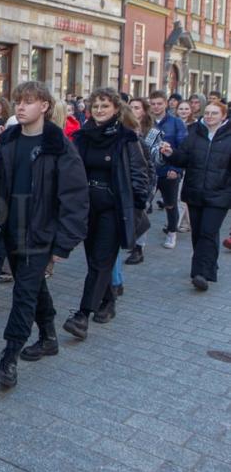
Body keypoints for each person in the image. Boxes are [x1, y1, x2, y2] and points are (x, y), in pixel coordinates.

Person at [0, 81, 89, 388]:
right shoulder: (11, 140)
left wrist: (63, 244)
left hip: (40, 234)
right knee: (31, 287)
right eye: (18, 101)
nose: (20, 106)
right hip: (10, 228)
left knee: (23, 295)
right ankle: (48, 336)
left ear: (44, 106)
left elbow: (75, 198)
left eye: (28, 101)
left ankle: (8, 360)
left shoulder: (60, 146)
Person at [61, 89, 148, 340]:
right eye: (96, 106)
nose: (99, 110)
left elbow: (139, 177)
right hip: (87, 209)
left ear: (116, 110)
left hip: (114, 209)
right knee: (96, 261)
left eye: (105, 106)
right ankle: (108, 301)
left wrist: (136, 208)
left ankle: (82, 316)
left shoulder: (126, 138)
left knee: (100, 261)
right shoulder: (82, 136)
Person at [160, 101, 231, 291]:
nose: (209, 116)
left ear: (223, 116)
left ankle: (201, 273)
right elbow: (183, 158)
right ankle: (209, 264)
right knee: (199, 233)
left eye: (214, 113)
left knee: (208, 231)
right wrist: (171, 153)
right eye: (207, 113)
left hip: (220, 194)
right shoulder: (195, 133)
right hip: (195, 192)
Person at [148, 90, 187, 250]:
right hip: (149, 171)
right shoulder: (146, 121)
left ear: (166, 104)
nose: (156, 107)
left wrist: (176, 169)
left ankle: (172, 232)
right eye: (153, 103)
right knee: (143, 204)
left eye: (159, 103)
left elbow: (182, 148)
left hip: (168, 171)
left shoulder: (176, 123)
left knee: (170, 204)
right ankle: (138, 241)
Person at [124, 97, 161, 265]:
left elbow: (155, 160)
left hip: (146, 178)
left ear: (144, 111)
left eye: (137, 108)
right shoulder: (122, 128)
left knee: (141, 212)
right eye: (131, 107)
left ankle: (139, 248)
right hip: (128, 179)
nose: (133, 110)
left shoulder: (152, 132)